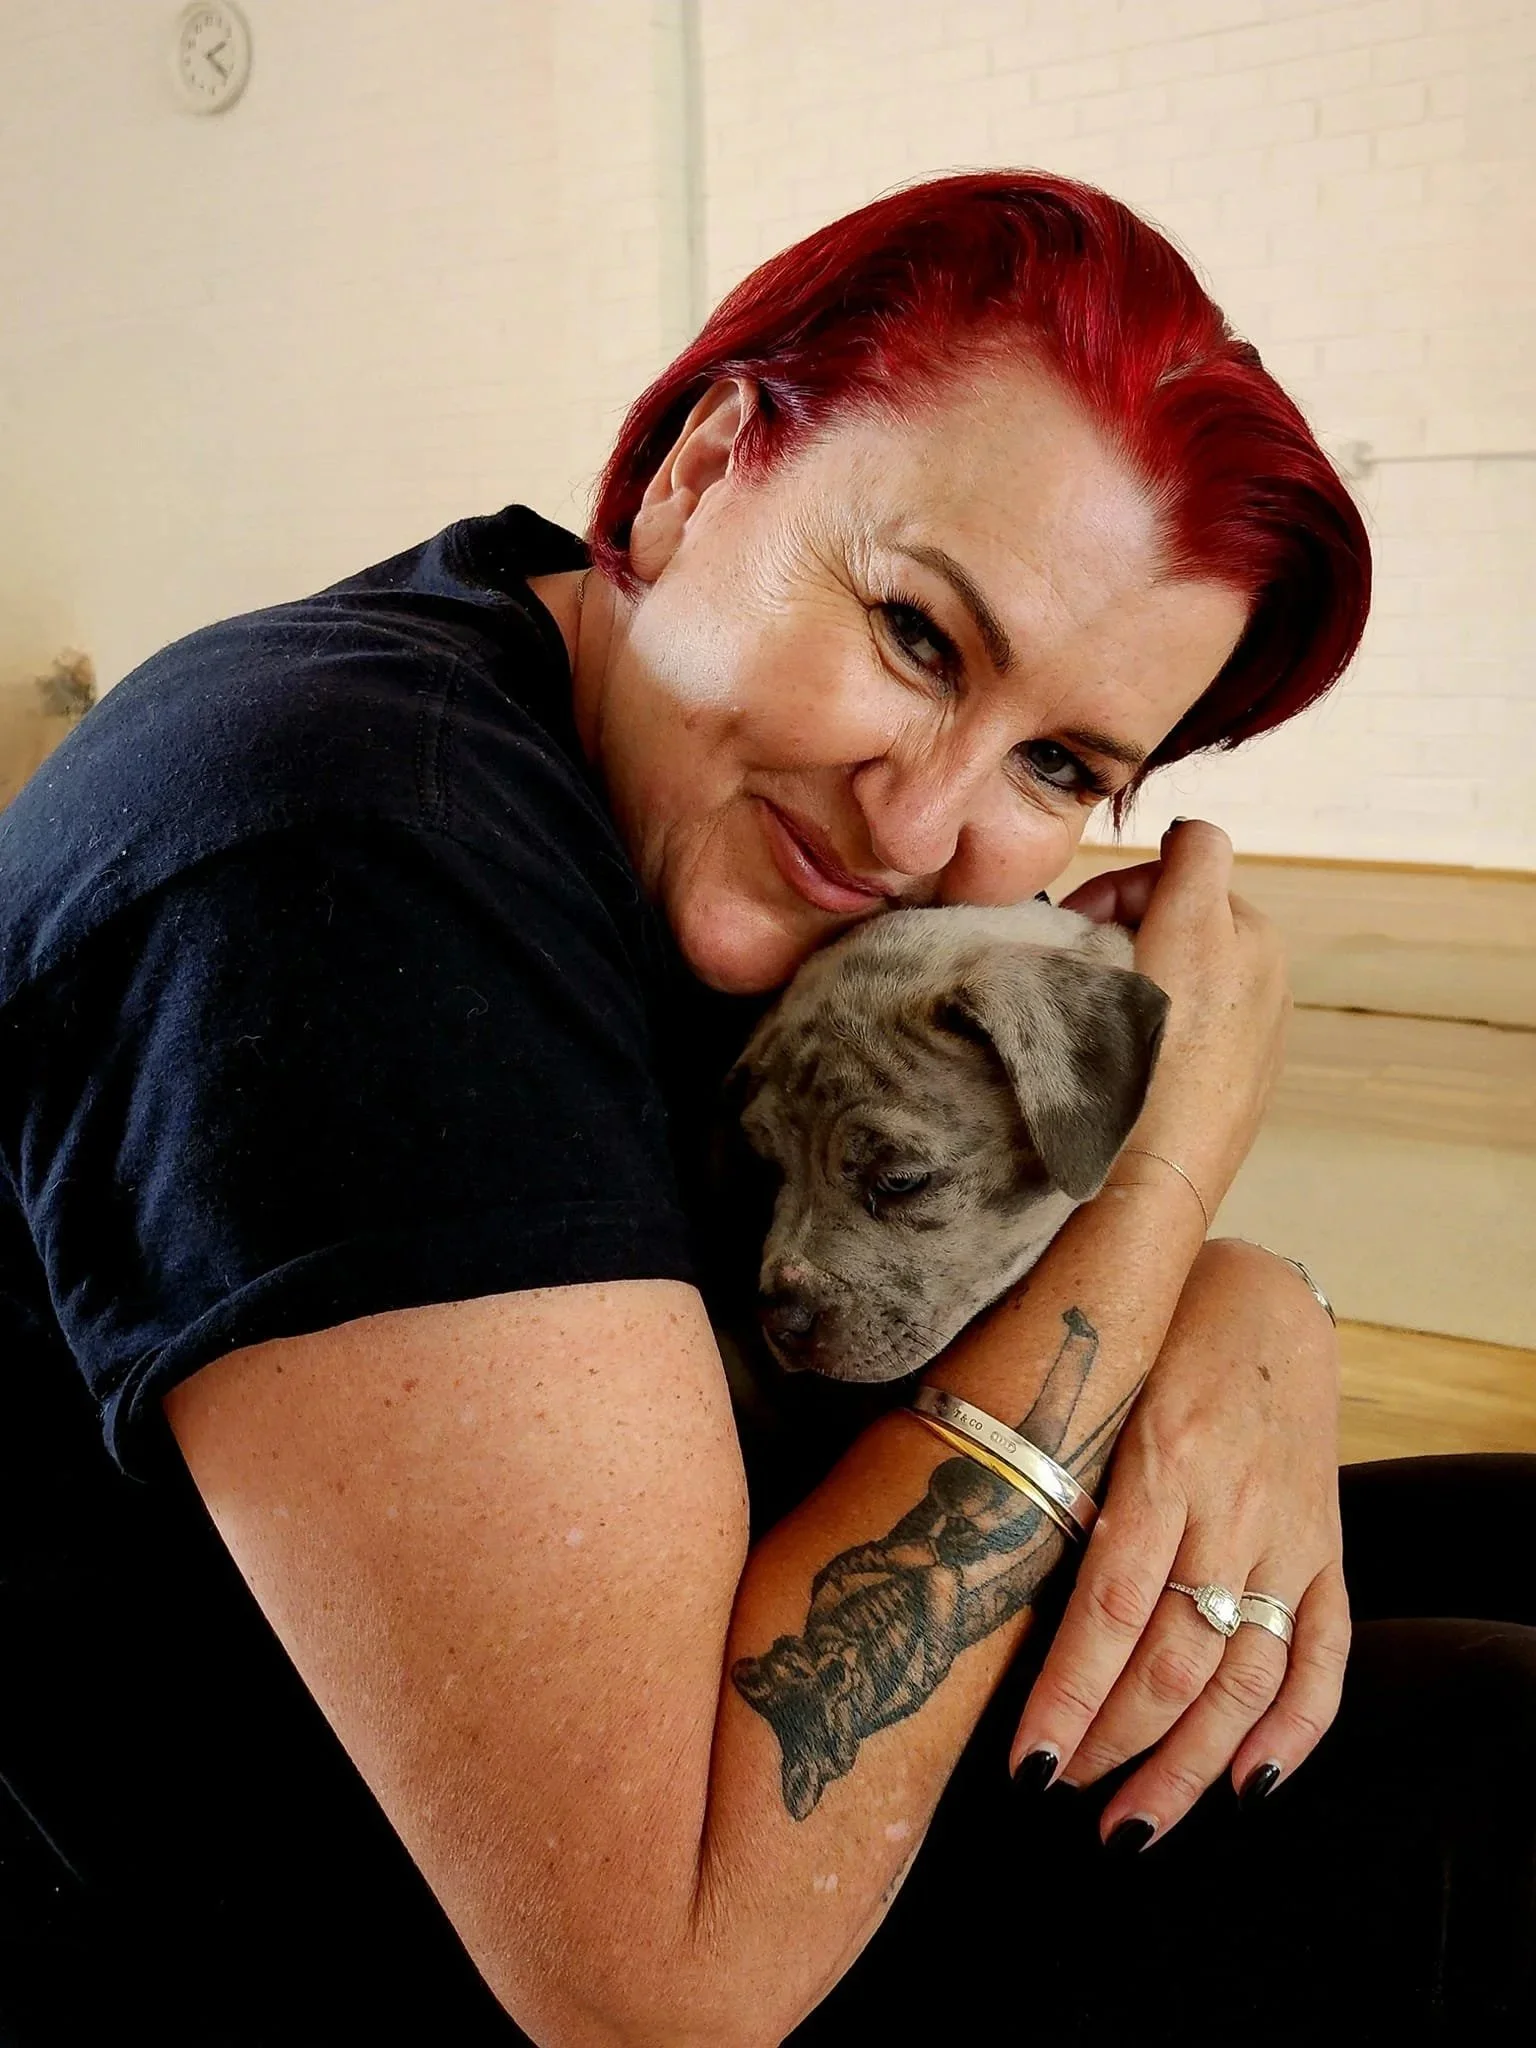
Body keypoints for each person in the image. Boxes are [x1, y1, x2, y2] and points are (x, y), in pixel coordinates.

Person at [0, 170, 1530, 2047]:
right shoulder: (349, 855)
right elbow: (667, 1991)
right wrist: (1174, 1172)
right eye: (912, 632)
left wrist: (1247, 1303)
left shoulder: (598, 750)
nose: (916, 825)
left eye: (1059, 763)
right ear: (701, 468)